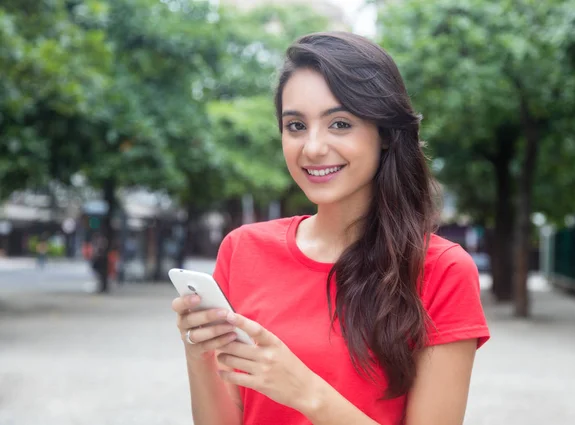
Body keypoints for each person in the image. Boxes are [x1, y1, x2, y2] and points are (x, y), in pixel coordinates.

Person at [172, 32, 490, 425]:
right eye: (295, 125)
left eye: (340, 123)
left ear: (387, 134)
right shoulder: (243, 250)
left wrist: (304, 390)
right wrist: (198, 352)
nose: (313, 147)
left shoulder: (441, 270)